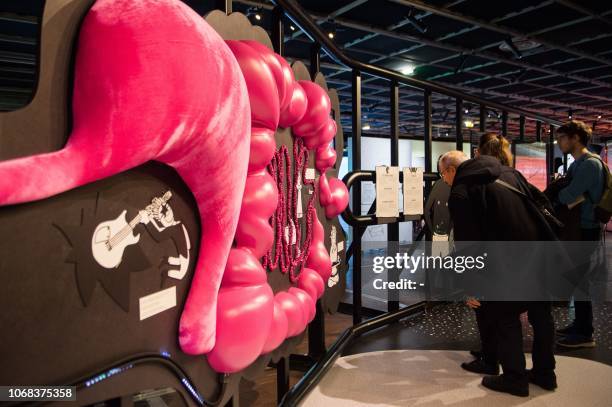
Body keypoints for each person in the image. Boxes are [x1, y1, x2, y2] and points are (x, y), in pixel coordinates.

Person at [442, 141, 557, 397]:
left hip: (505, 262)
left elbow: (467, 243)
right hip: (539, 255)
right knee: (542, 316)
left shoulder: (462, 191)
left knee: (505, 318)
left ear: (451, 171)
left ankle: (515, 378)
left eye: (442, 174)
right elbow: (541, 202)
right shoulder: (510, 173)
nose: (444, 180)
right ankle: (545, 374)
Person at [552, 121, 604, 349]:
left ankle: (585, 333)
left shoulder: (589, 165)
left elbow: (567, 194)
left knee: (580, 280)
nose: (559, 142)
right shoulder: (580, 163)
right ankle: (581, 325)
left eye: (562, 138)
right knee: (578, 279)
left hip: (585, 228)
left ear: (575, 138)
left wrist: (558, 192)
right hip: (580, 228)